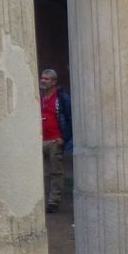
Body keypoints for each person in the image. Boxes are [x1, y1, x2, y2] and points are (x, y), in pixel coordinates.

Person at [39, 68, 72, 213]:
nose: (43, 81)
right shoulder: (38, 97)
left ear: (54, 82)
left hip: (54, 141)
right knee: (38, 172)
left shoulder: (62, 98)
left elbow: (71, 118)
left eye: (47, 79)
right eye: (42, 78)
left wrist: (63, 138)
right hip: (39, 139)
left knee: (55, 173)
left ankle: (53, 202)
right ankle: (40, 202)